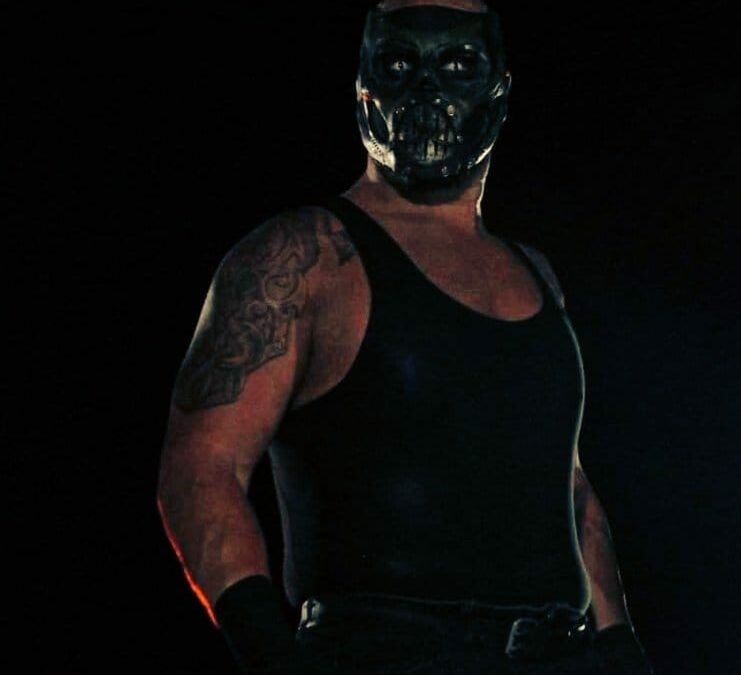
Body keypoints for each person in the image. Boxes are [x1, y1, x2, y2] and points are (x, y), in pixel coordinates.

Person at [156, 1, 654, 673]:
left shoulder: (536, 273)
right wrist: (271, 654)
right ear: (363, 83)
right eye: (398, 63)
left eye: (456, 64)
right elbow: (201, 469)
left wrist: (618, 642)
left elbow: (564, 482)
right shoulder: (301, 256)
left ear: (499, 87)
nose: (424, 89)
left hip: (558, 653)